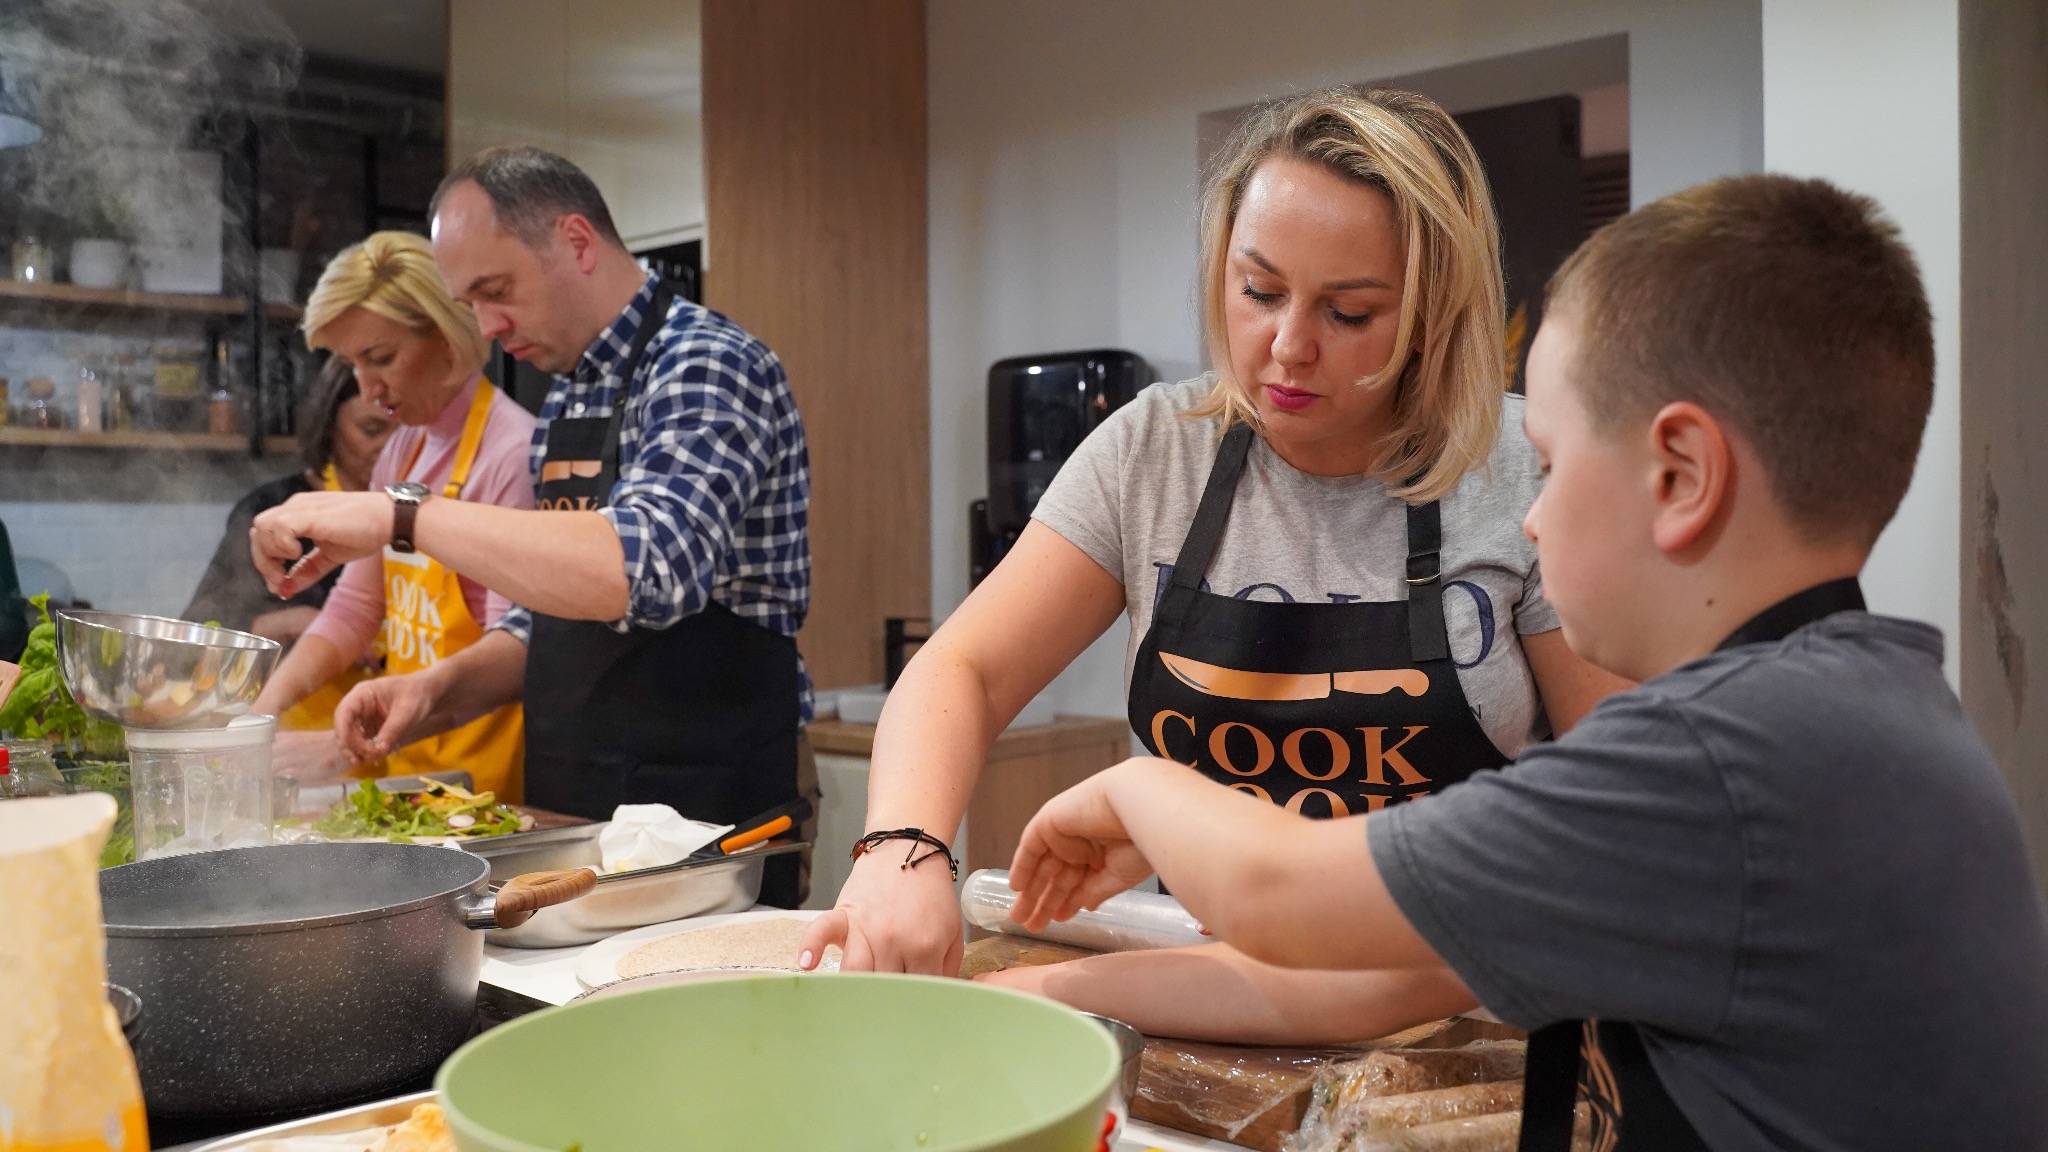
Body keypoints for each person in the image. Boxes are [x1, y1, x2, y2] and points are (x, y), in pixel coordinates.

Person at [996, 175, 2048, 1151]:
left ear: (1679, 474)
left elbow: (1278, 893)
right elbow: (1371, 981)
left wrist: (1139, 784)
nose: (1530, 520)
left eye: (1545, 465)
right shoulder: (1851, 713)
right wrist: (1040, 1002)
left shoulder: (1708, 764)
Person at [804, 86, 1625, 976]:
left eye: (1348, 313)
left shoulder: (1522, 468)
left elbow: (1614, 798)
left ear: (1433, 315)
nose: (1288, 346)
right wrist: (901, 850)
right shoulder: (1154, 452)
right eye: (1260, 290)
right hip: (1185, 975)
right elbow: (964, 668)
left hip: (1459, 991)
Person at [248, 146, 812, 905]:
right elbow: (544, 624)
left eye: (495, 289)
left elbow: (639, 570)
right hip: (582, 797)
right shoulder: (569, 398)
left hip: (707, 809)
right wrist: (435, 693)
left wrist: (399, 516)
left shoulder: (704, 364)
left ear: (577, 242)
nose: (484, 323)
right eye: (469, 299)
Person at [249, 232, 535, 798]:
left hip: (485, 782)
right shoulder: (405, 450)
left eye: (380, 358)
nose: (367, 386)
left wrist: (343, 745)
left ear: (449, 334)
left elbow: (518, 650)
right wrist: (261, 715)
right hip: (407, 770)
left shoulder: (512, 451)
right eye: (353, 363)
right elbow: (356, 610)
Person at [183, 357, 394, 645]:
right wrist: (276, 623)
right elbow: (200, 627)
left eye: (408, 434)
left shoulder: (428, 514)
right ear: (329, 427)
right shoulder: (274, 509)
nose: (393, 448)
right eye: (371, 430)